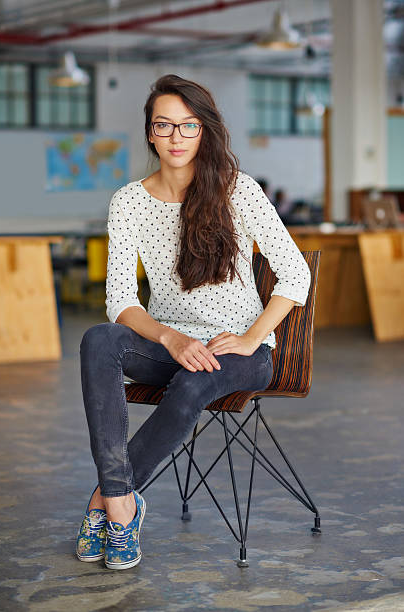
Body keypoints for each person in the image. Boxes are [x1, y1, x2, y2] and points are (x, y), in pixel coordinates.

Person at [76, 74, 311, 571]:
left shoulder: (237, 191)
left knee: (192, 382)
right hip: (171, 343)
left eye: (189, 125)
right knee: (100, 340)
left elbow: (295, 275)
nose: (177, 137)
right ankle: (124, 505)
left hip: (238, 351)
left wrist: (251, 339)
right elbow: (119, 302)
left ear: (204, 131)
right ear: (149, 133)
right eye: (165, 125)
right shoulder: (129, 202)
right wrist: (170, 336)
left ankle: (108, 502)